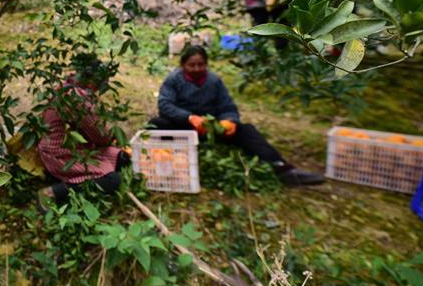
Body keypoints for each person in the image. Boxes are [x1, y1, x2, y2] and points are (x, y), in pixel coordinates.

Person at [151, 45, 324, 186]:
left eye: (201, 64)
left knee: (246, 130)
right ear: (183, 65)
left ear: (207, 64)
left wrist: (229, 121)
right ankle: (165, 163)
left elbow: (228, 106)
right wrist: (189, 117)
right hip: (186, 127)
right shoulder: (174, 80)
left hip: (211, 129)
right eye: (191, 65)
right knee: (157, 123)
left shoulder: (214, 81)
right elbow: (165, 105)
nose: (196, 69)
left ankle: (282, 168)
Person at [37, 54, 131, 207]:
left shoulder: (68, 86)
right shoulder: (76, 97)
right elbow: (99, 135)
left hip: (76, 148)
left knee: (121, 157)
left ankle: (70, 179)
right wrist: (112, 134)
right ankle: (53, 192)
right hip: (61, 153)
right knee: (112, 180)